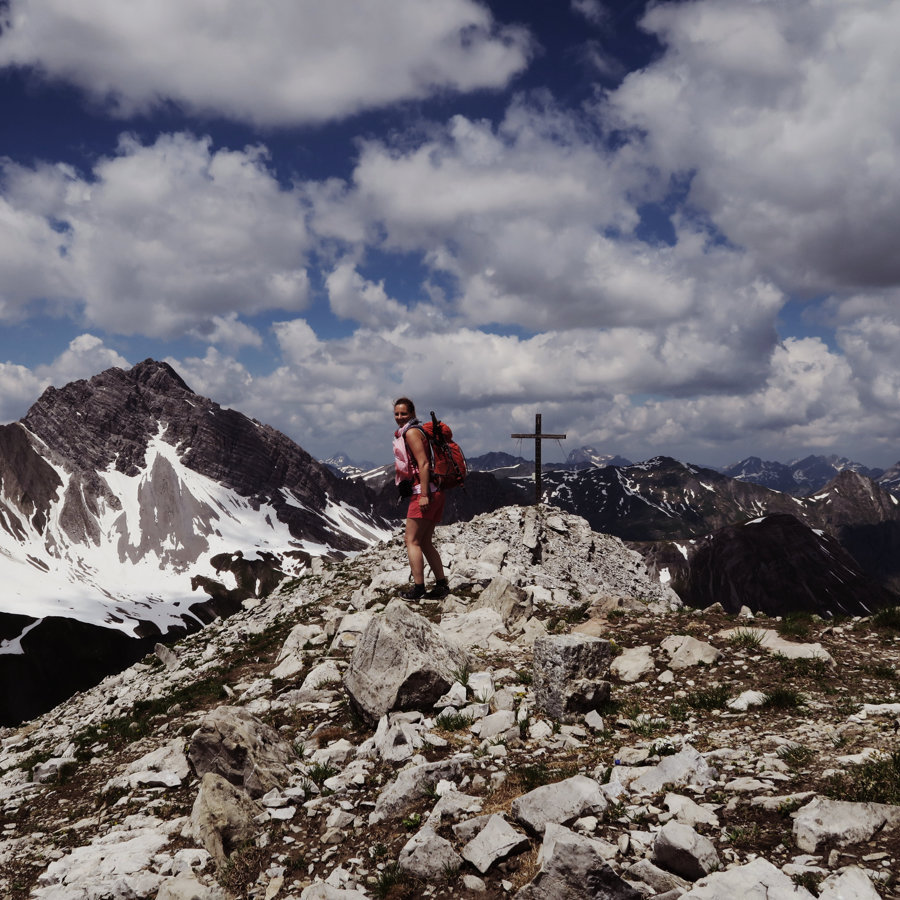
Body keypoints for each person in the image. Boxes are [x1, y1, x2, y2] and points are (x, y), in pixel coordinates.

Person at [393, 397, 450, 600]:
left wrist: (424, 494)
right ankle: (441, 585)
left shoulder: (410, 433)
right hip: (436, 491)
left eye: (404, 413)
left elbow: (423, 463)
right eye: (397, 414)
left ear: (412, 413)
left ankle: (418, 589)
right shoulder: (420, 431)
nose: (400, 417)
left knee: (411, 541)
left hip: (424, 493)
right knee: (425, 541)